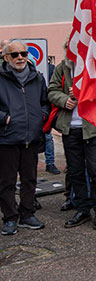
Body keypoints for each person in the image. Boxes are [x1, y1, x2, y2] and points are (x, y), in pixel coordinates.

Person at [49, 46, 96, 230]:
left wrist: (84, 92)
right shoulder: (62, 68)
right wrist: (64, 99)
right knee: (76, 171)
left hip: (93, 128)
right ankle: (82, 209)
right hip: (70, 128)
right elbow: (52, 90)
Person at [0, 41, 49, 235]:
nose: (20, 57)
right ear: (6, 58)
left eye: (23, 53)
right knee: (7, 181)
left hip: (31, 137)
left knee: (30, 179)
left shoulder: (37, 78)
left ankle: (27, 214)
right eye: (15, 54)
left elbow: (45, 102)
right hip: (7, 138)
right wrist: (4, 118)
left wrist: (41, 116)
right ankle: (10, 218)